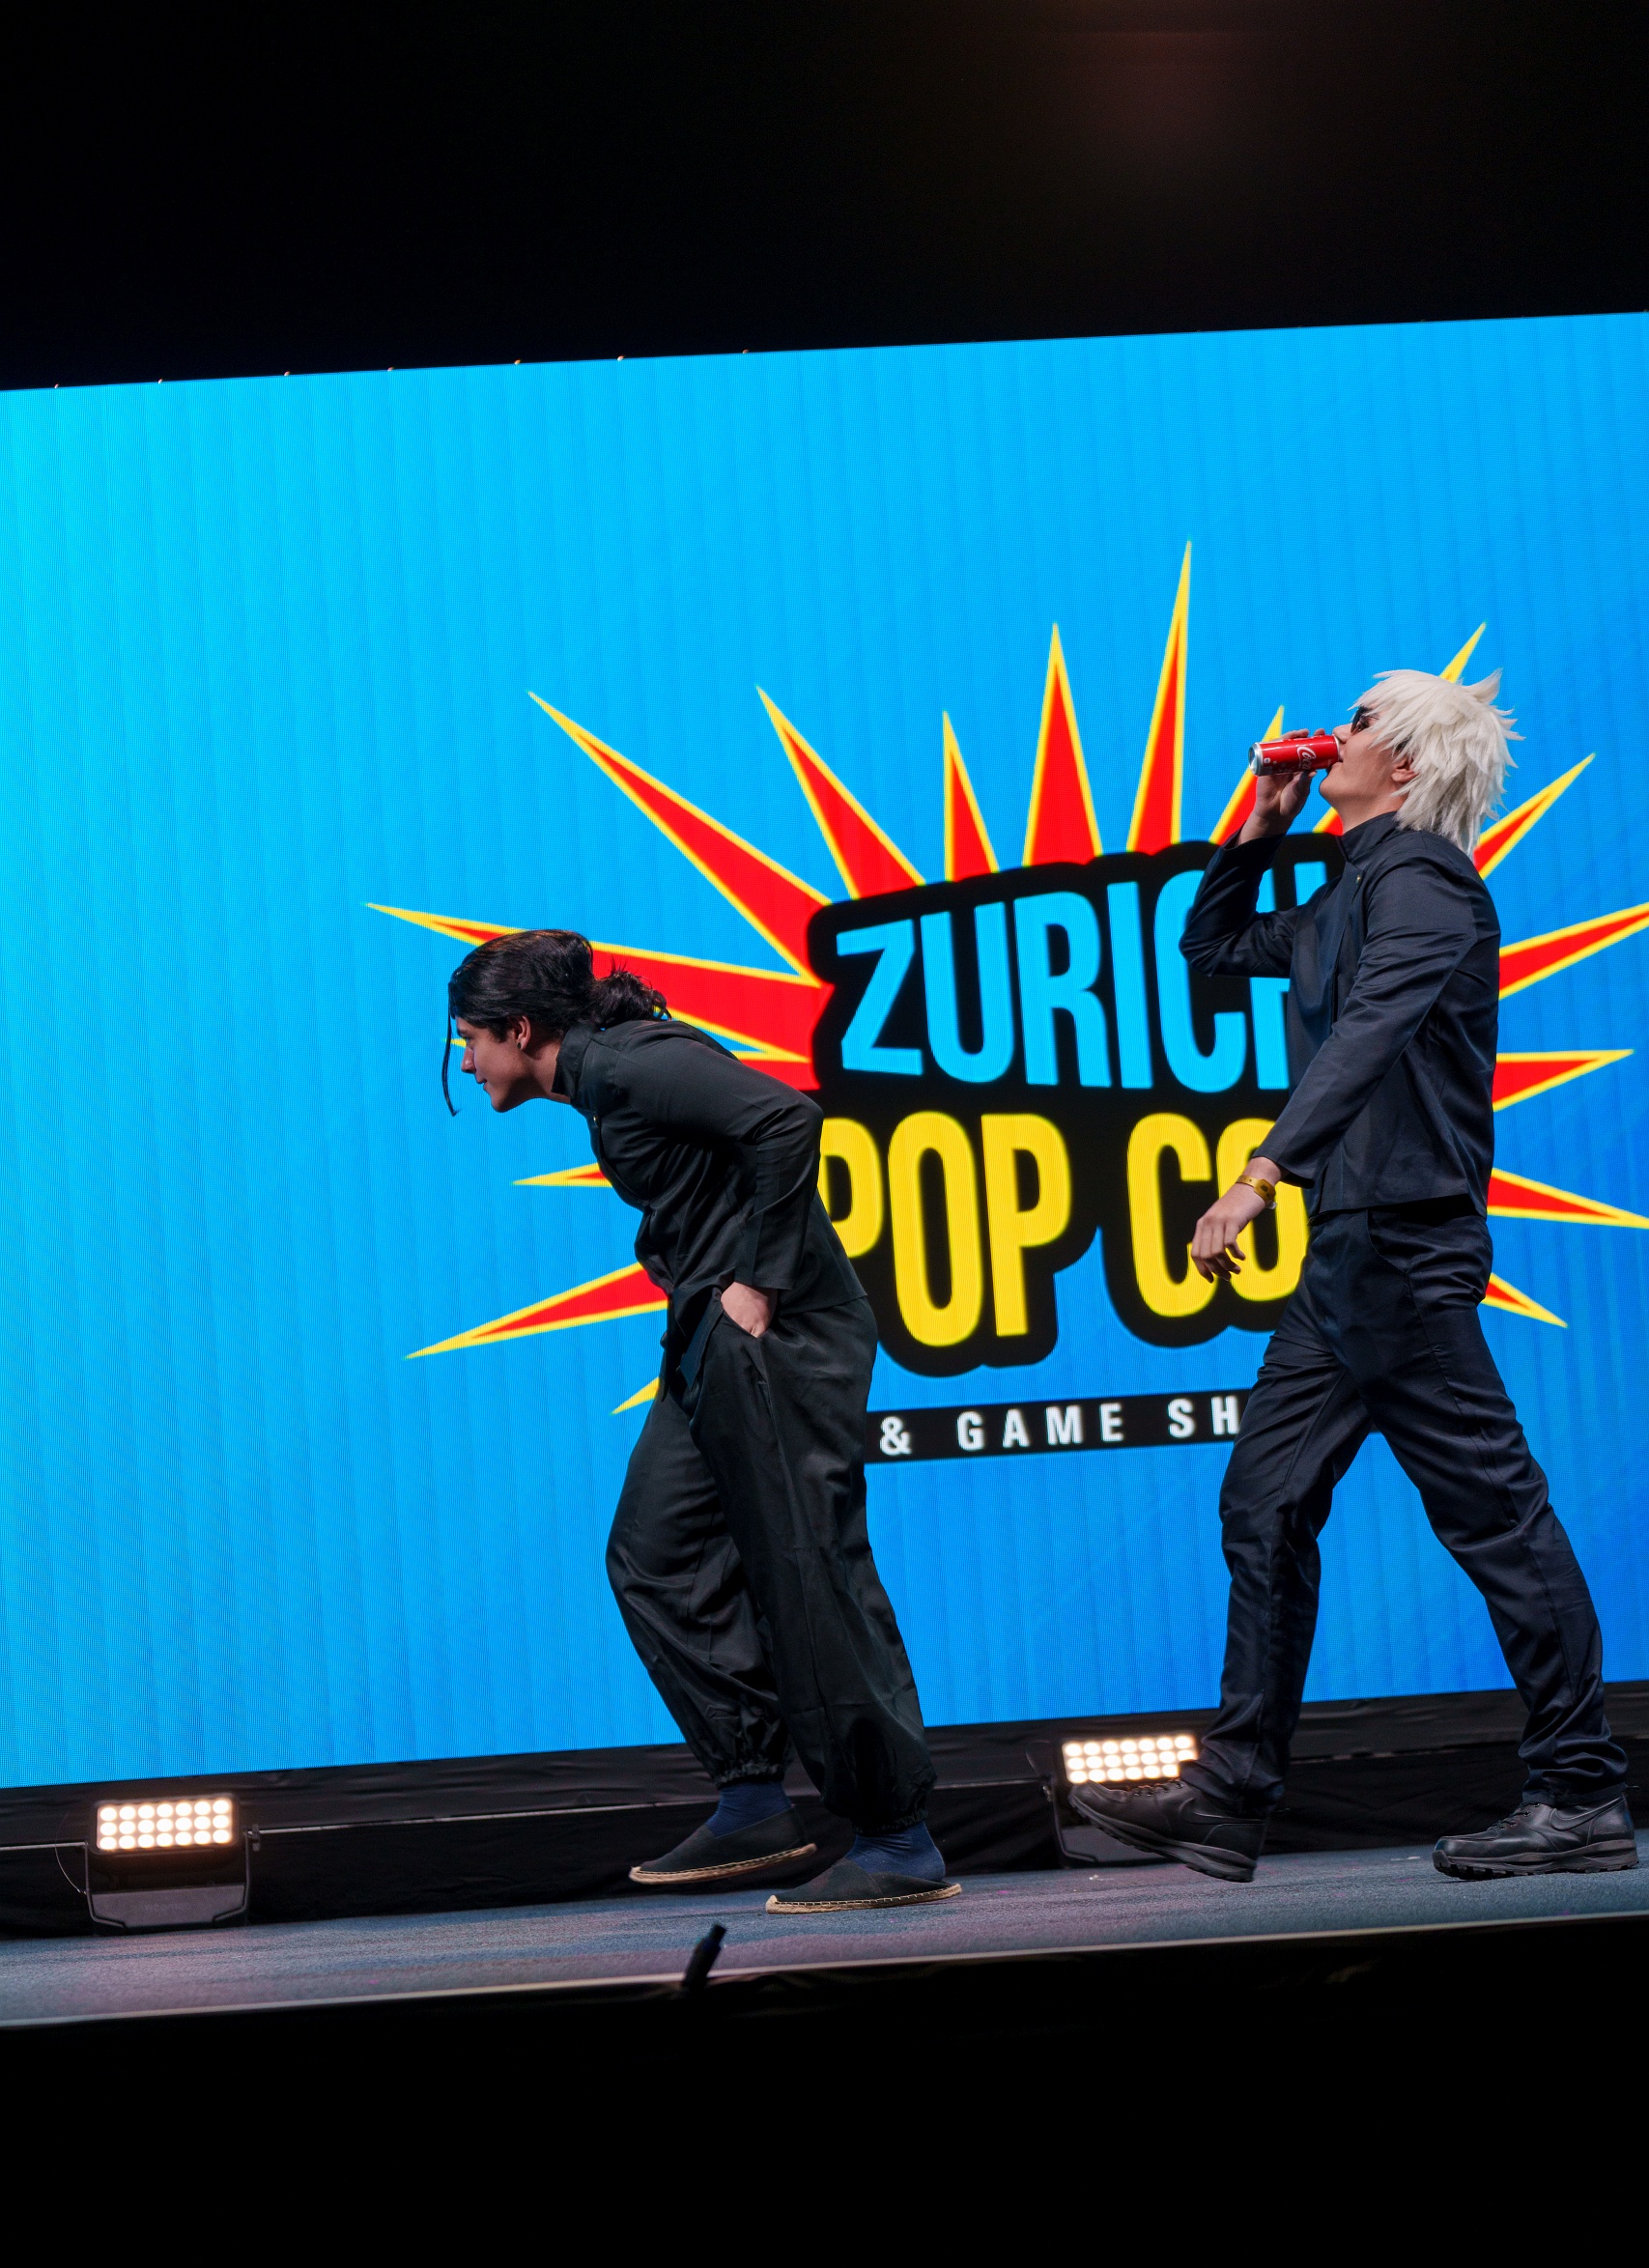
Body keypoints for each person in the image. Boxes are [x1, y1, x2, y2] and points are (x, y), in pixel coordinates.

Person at [1070, 669, 1635, 1884]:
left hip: (1404, 1246)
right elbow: (1213, 946)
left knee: (1495, 1514)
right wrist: (1258, 827)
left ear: (1409, 766)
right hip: (1347, 1257)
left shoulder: (1427, 882)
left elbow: (1373, 1033)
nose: (1342, 730)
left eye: (1367, 721)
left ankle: (1582, 1789)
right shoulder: (1347, 885)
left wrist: (1260, 1171)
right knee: (1265, 1503)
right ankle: (1231, 1797)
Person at [444, 928, 956, 1912]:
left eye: (470, 1038)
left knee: (804, 1567)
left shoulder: (632, 1063)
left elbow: (787, 1119)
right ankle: (753, 1796)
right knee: (657, 1553)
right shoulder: (602, 1081)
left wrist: (759, 1281)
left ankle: (896, 1836)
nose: (467, 1063)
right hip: (705, 1342)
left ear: (521, 1029)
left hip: (777, 1335)